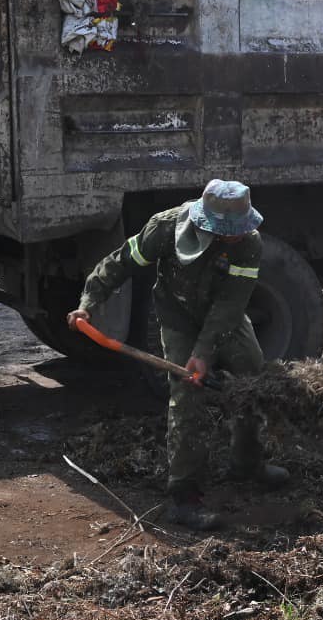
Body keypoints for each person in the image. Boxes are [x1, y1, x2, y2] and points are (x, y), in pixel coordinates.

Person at [67, 179, 287, 531]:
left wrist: (205, 352)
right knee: (186, 396)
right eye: (227, 231)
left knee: (253, 381)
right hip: (178, 317)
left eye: (239, 230)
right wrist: (88, 305)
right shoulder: (166, 228)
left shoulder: (249, 243)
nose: (235, 236)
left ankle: (247, 462)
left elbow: (230, 305)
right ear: (206, 224)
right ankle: (184, 497)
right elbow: (120, 263)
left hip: (224, 317)